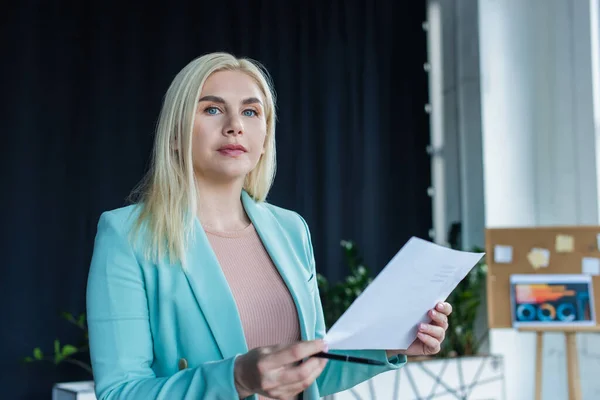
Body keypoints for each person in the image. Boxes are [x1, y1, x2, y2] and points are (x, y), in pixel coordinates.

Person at [86, 51, 453, 400]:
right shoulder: (128, 235)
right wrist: (237, 378)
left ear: (265, 137)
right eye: (212, 109)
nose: (234, 126)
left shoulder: (291, 229)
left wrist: (388, 344)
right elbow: (121, 392)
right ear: (175, 135)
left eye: (250, 111)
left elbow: (310, 370)